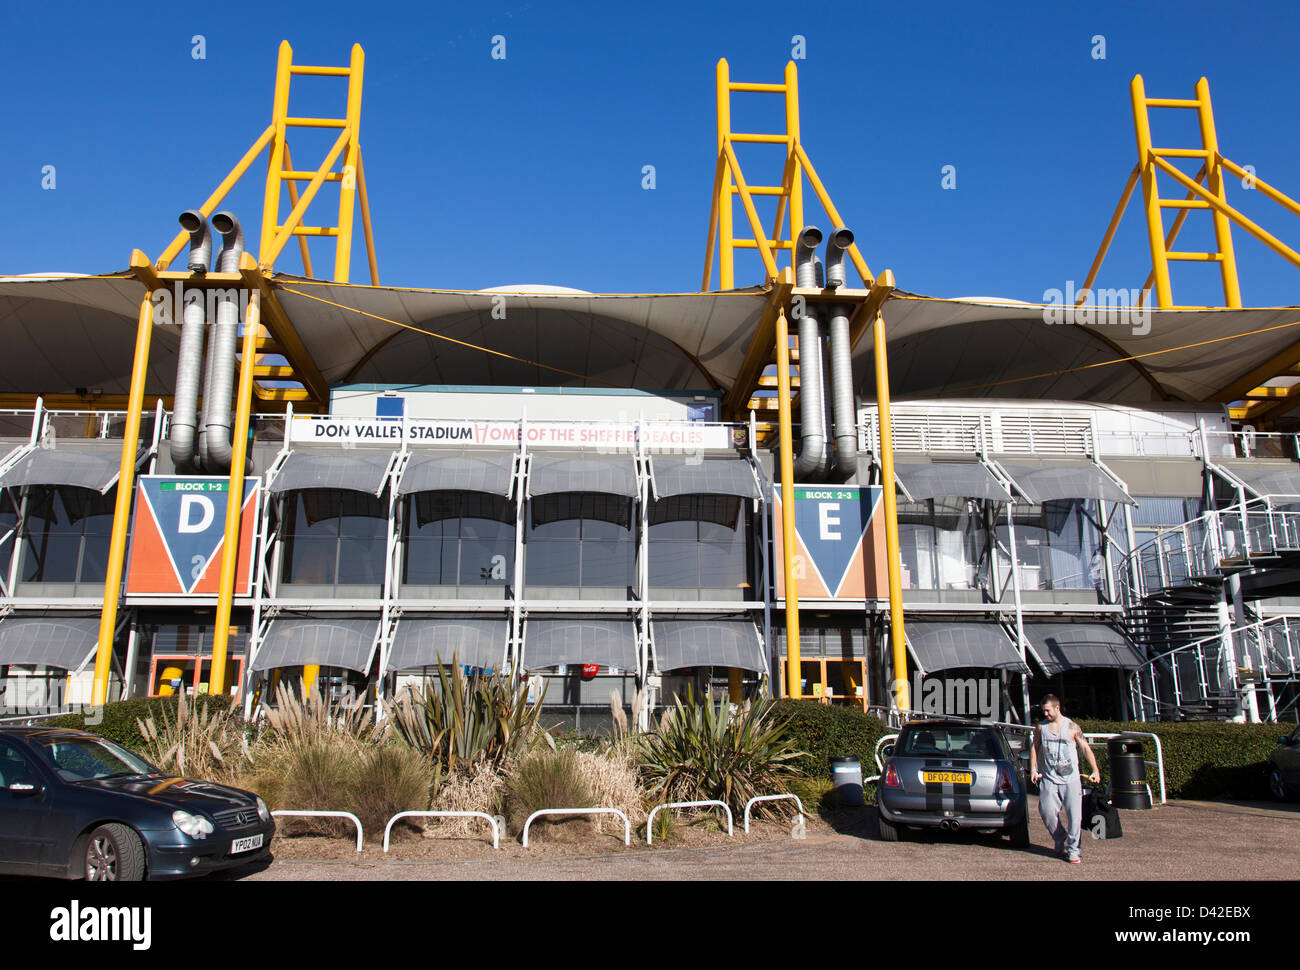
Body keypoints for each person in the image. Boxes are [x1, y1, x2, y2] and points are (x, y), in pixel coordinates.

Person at [1029, 694, 1100, 863]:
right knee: (1046, 811)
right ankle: (1060, 837)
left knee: (1075, 817)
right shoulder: (1041, 728)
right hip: (1050, 778)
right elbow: (1034, 747)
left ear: (1057, 708)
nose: (1045, 714)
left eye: (1048, 711)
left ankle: (1074, 850)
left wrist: (1095, 770)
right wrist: (1033, 769)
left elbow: (1085, 748)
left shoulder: (1072, 727)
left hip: (1071, 779)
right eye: (1043, 711)